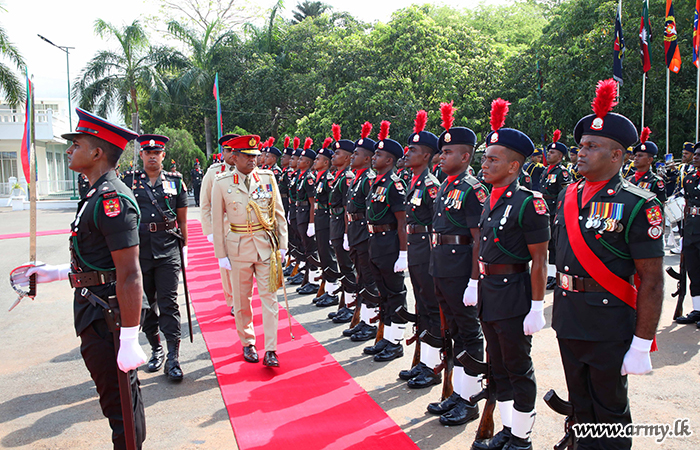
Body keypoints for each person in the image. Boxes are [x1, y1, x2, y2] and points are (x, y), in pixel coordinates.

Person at [16, 108, 147, 449]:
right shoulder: (94, 194)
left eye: (76, 144)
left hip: (111, 318)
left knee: (122, 412)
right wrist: (56, 273)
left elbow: (130, 272)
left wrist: (131, 337)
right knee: (115, 406)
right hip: (97, 311)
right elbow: (99, 260)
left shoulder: (111, 199)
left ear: (97, 153)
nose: (70, 150)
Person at [551, 79, 664, 449]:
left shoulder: (637, 203)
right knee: (581, 407)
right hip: (569, 317)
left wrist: (642, 342)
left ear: (617, 156)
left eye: (592, 147)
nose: (580, 153)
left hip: (608, 322)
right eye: (581, 146)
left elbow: (652, 280)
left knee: (610, 413)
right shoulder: (568, 195)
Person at [472, 98, 550, 450]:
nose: (484, 164)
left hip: (514, 293)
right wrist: (476, 283)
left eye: (492, 159)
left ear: (514, 166)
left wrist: (537, 306)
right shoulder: (490, 199)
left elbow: (539, 260)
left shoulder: (528, 202)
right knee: (498, 366)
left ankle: (522, 438)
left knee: (518, 366)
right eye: (484, 158)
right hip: (491, 293)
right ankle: (508, 429)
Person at [426, 101, 487, 426]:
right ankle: (458, 392)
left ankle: (470, 398)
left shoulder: (472, 189)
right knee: (453, 333)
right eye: (441, 152)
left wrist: (475, 281)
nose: (441, 157)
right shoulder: (446, 185)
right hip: (442, 268)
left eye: (448, 152)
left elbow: (478, 238)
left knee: (469, 334)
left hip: (462, 271)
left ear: (465, 157)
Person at [211, 134, 287, 367]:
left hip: (265, 246)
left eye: (255, 156)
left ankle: (271, 349)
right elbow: (216, 220)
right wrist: (221, 255)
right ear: (234, 157)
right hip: (238, 247)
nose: (253, 160)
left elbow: (279, 214)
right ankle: (248, 342)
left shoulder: (267, 177)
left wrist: (283, 246)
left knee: (270, 299)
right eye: (247, 156)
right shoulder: (222, 182)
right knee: (243, 301)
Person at [122, 134, 188, 382]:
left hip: (168, 249)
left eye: (156, 152)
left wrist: (185, 250)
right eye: (147, 152)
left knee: (169, 304)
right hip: (140, 251)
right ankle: (156, 348)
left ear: (163, 155)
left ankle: (173, 358)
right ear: (141, 156)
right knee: (146, 305)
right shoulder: (129, 181)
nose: (152, 156)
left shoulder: (175, 181)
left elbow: (182, 220)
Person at [398, 110, 443, 388]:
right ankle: (424, 361)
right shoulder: (414, 182)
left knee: (431, 305)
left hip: (426, 248)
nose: (407, 153)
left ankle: (433, 363)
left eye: (412, 150)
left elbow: (438, 224)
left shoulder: (430, 184)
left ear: (426, 156)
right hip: (415, 247)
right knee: (422, 306)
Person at [360, 120, 409, 362]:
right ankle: (386, 337)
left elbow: (402, 222)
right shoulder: (376, 182)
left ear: (389, 161)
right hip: (375, 242)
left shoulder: (394, 184)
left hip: (390, 243)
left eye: (378, 155)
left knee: (395, 292)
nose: (373, 158)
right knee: (384, 294)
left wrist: (403, 252)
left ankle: (396, 341)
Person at [342, 122, 379, 341]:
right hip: (355, 233)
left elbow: (369, 212)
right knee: (362, 278)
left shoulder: (368, 180)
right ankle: (364, 319)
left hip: (365, 235)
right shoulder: (357, 179)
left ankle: (372, 322)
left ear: (367, 159)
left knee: (369, 278)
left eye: (356, 154)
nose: (352, 157)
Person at [201, 140, 237, 316]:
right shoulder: (214, 172)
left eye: (233, 150)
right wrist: (209, 231)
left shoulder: (246, 170)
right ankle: (233, 301)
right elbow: (205, 203)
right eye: (227, 150)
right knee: (228, 266)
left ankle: (242, 298)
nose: (230, 153)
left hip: (244, 225)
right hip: (223, 226)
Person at [327, 124, 358, 323]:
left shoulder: (347, 178)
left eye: (337, 153)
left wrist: (347, 232)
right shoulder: (338, 176)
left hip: (342, 223)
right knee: (342, 265)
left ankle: (352, 305)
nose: (333, 156)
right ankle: (346, 302)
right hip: (335, 222)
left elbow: (348, 207)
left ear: (347, 158)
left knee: (347, 266)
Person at [312, 137, 342, 307]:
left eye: (318, 159)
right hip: (320, 217)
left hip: (327, 218)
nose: (315, 161)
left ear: (325, 163)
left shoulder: (328, 179)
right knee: (323, 254)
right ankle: (329, 289)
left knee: (328, 255)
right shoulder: (320, 177)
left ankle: (333, 291)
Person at [540, 130, 571, 289]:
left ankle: (554, 274)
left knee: (554, 244)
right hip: (545, 210)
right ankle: (549, 274)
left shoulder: (562, 172)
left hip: (555, 211)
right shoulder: (547, 170)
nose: (549, 154)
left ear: (560, 156)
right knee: (547, 244)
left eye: (552, 153)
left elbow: (565, 194)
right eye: (549, 152)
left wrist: (561, 213)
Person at [676, 144, 700, 325]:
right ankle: (697, 309)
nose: (696, 157)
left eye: (699, 155)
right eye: (696, 154)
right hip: (692, 229)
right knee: (693, 269)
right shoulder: (690, 178)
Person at [295, 138, 322, 295]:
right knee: (305, 247)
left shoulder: (309, 178)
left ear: (309, 162)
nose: (298, 161)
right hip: (300, 214)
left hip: (307, 215)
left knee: (312, 249)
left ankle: (314, 280)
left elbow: (313, 202)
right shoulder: (301, 176)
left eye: (301, 159)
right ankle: (309, 277)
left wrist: (311, 223)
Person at [625, 128, 667, 204]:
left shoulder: (655, 181)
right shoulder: (628, 179)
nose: (636, 158)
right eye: (635, 155)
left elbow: (660, 205)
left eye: (640, 156)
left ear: (649, 160)